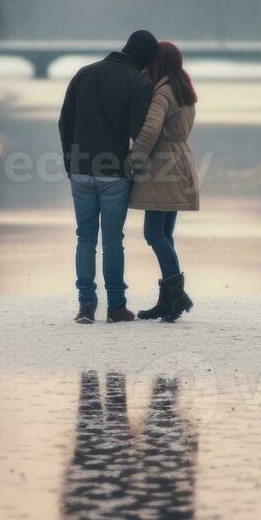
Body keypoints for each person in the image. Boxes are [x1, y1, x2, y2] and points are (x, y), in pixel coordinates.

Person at [59, 30, 158, 324]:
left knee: (85, 238)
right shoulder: (138, 84)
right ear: (143, 58)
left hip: (81, 168)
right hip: (113, 171)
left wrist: (70, 160)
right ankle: (116, 306)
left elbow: (65, 121)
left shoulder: (84, 73)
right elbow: (138, 132)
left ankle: (86, 306)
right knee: (113, 240)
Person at [127, 41, 200, 322]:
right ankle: (168, 300)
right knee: (165, 235)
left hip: (162, 167)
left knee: (153, 234)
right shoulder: (184, 89)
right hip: (181, 162)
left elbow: (150, 129)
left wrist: (134, 159)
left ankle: (177, 296)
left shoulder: (163, 92)